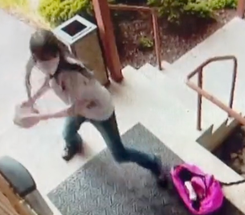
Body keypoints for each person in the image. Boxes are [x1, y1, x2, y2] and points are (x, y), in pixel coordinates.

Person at [15, 29, 167, 187]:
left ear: (56, 53)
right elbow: (49, 79)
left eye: (48, 58)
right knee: (67, 133)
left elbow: (73, 110)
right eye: (40, 59)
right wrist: (31, 100)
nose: (43, 63)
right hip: (81, 107)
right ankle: (74, 143)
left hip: (100, 111)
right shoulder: (44, 63)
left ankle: (155, 163)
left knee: (120, 154)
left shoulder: (72, 75)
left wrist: (41, 117)